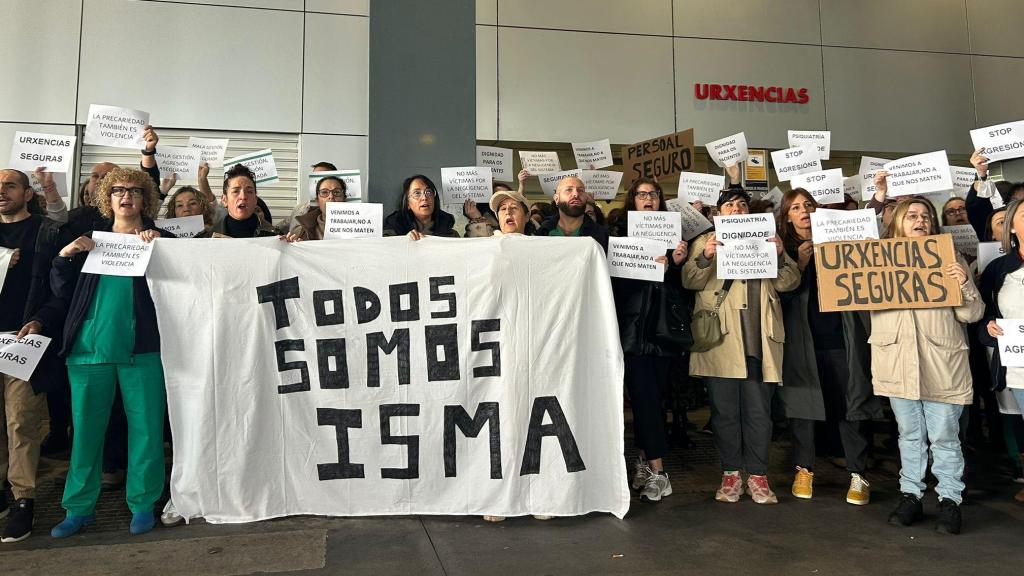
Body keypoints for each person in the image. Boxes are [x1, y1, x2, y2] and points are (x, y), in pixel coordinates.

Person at [48, 168, 173, 538]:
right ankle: (78, 508)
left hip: (143, 350)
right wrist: (66, 254)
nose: (126, 196)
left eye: (135, 190)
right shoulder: (87, 239)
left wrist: (159, 249)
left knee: (147, 431)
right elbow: (59, 289)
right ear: (107, 197)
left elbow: (183, 286)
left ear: (145, 198)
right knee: (85, 433)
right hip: (88, 351)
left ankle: (142, 503)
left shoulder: (159, 240)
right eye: (117, 190)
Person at [870, 195, 983, 535]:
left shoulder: (952, 259)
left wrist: (963, 283)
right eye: (911, 216)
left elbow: (972, 315)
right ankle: (911, 496)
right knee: (909, 435)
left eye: (925, 216)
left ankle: (950, 500)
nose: (919, 221)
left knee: (945, 436)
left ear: (932, 225)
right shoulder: (876, 262)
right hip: (897, 361)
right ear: (898, 224)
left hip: (941, 362)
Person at [683, 187, 800, 504]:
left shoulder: (768, 239)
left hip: (760, 341)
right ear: (718, 213)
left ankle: (759, 477)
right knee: (724, 414)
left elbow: (790, 282)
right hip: (721, 342)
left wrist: (778, 255)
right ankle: (732, 475)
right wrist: (707, 254)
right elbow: (689, 280)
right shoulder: (704, 242)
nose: (736, 209)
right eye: (729, 205)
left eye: (742, 205)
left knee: (759, 413)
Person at [777, 189, 880, 505]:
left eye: (808, 204)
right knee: (803, 408)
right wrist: (801, 262)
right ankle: (804, 469)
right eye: (795, 207)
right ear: (787, 216)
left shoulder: (840, 242)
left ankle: (858, 474)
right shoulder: (781, 249)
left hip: (841, 339)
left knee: (851, 404)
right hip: (801, 343)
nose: (804, 211)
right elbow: (778, 296)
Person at [610, 177, 689, 502]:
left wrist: (674, 265)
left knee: (651, 401)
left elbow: (685, 291)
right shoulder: (620, 236)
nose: (648, 199)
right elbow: (617, 287)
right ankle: (654, 468)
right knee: (643, 400)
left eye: (653, 194)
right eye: (642, 194)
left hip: (663, 333)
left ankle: (651, 467)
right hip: (632, 332)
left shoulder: (676, 239)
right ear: (633, 200)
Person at [0, 169, 68, 542]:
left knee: (21, 422)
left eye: (9, 185)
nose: (1, 191)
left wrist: (41, 320)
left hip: (22, 341)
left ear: (28, 193)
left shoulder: (47, 232)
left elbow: (60, 290)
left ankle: (23, 499)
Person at [978, 199, 1024, 503]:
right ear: (1012, 226)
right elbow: (983, 317)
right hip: (1018, 367)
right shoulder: (999, 268)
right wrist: (990, 329)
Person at [534, 177, 608, 250]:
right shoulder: (543, 232)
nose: (576, 194)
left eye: (581, 190)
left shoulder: (602, 235)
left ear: (586, 198)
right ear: (557, 199)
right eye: (569, 190)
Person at [210, 164, 280, 238]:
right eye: (236, 191)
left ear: (255, 200)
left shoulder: (274, 236)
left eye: (249, 191)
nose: (243, 197)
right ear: (224, 200)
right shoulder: (207, 237)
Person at [382, 175, 459, 238]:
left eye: (428, 192)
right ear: (408, 203)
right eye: (417, 193)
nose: (424, 197)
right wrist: (403, 241)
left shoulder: (451, 235)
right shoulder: (393, 232)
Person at [280, 161, 338, 232]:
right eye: (314, 177)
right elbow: (279, 230)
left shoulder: (344, 213)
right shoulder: (298, 208)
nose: (317, 182)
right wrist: (263, 222)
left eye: (322, 178)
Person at [289, 175, 346, 241]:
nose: (331, 196)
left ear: (344, 198)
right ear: (317, 200)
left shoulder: (359, 227)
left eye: (337, 192)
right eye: (324, 192)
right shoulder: (300, 232)